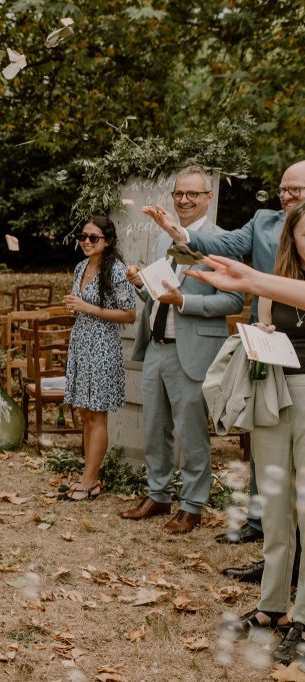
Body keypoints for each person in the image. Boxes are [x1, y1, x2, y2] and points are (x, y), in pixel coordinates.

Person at [150, 159, 305, 549]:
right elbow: (225, 244)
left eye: (296, 191)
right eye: (283, 189)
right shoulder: (264, 221)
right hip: (267, 338)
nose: (285, 196)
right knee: (262, 430)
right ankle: (261, 521)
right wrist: (180, 232)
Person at [120, 167, 243, 533]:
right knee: (154, 428)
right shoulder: (162, 241)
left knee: (191, 433)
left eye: (193, 194)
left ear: (209, 198)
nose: (185, 200)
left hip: (193, 351)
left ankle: (192, 505)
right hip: (157, 346)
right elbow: (159, 295)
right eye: (179, 194)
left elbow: (234, 299)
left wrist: (185, 301)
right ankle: (158, 494)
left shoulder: (222, 240)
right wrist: (142, 284)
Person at [222, 201, 305, 665]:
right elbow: (265, 327)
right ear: (291, 238)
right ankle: (273, 606)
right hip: (276, 395)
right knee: (274, 503)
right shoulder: (273, 285)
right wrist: (259, 335)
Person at [60, 216, 137, 500]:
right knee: (84, 413)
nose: (87, 242)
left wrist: (87, 307)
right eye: (83, 236)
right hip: (81, 343)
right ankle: (88, 475)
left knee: (97, 415)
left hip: (103, 348)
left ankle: (91, 480)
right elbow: (82, 305)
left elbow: (129, 314)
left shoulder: (116, 270)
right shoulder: (81, 267)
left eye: (93, 238)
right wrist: (75, 307)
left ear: (107, 241)